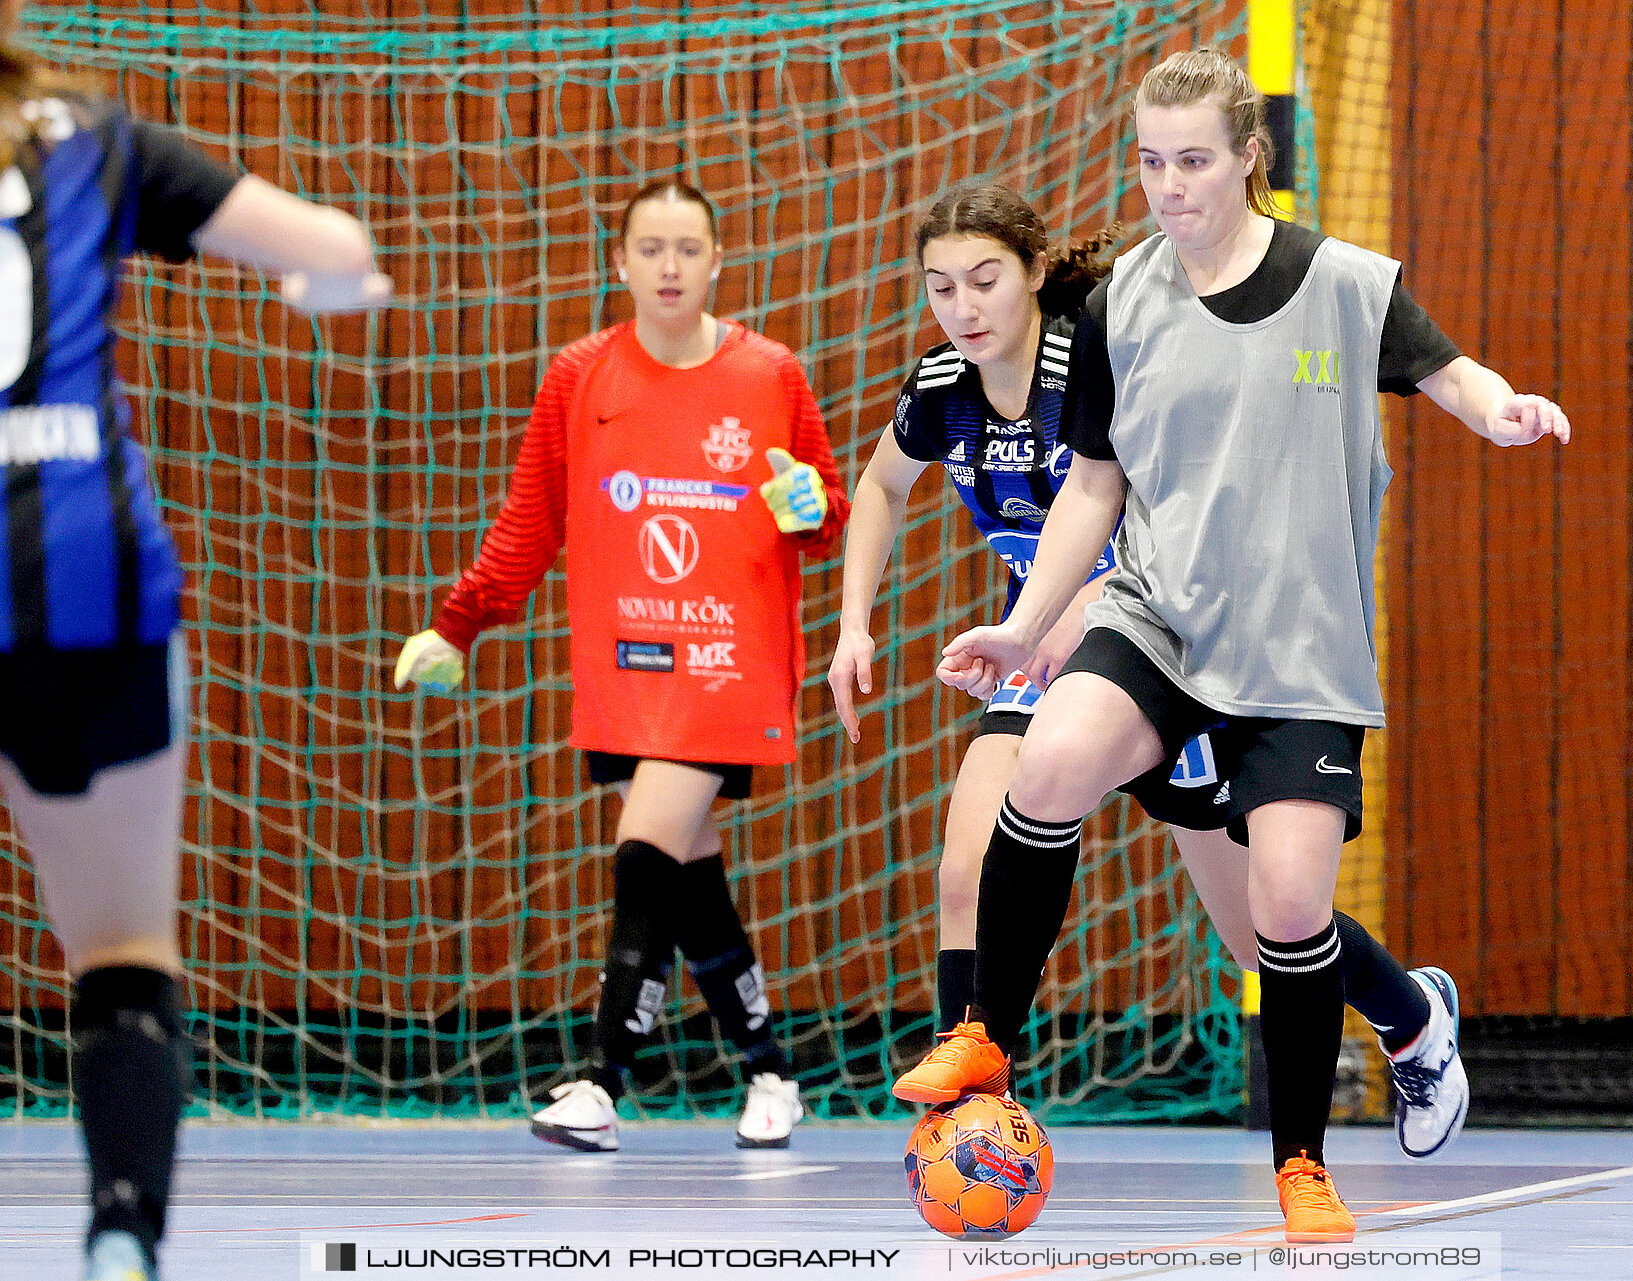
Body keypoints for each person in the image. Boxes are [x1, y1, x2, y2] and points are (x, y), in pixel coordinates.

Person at [894, 48, 1567, 1244]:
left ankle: (1304, 1167)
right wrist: (1025, 625)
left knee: (1286, 909)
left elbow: (1450, 372)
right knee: (1046, 762)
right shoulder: (1116, 305)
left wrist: (1501, 409)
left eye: (1193, 161)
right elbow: (1093, 491)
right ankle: (990, 1026)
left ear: (1249, 159)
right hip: (1156, 615)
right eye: (1151, 163)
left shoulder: (1347, 284)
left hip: (1297, 648)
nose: (1169, 187)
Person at [840, 182, 1468, 1155]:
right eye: (939, 287)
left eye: (983, 280)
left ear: (1038, 277)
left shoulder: (1097, 367)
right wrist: (853, 628)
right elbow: (881, 484)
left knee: (1265, 927)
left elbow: (1174, 524)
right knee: (968, 863)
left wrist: (1082, 607)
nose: (962, 307)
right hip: (1052, 652)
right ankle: (965, 1109)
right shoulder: (940, 390)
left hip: (1182, 647)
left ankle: (1412, 1019)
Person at [0, 6, 391, 1278]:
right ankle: (123, 1241)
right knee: (118, 949)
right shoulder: (87, 135)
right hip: (84, 577)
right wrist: (324, 285)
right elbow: (336, 249)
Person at [395, 178, 847, 1153]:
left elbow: (826, 517)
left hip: (729, 663)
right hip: (628, 663)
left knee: (645, 851)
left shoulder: (770, 373)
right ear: (622, 263)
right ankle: (771, 1068)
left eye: (689, 248)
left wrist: (808, 506)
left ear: (718, 261)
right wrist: (459, 624)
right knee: (687, 879)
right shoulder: (580, 375)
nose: (671, 266)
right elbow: (531, 520)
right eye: (652, 248)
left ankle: (601, 1082)